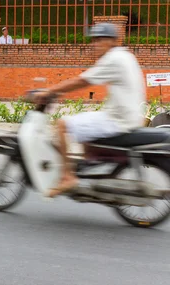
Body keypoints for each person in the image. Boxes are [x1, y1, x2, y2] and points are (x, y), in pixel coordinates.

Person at [33, 23, 146, 198]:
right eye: (94, 40)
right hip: (127, 116)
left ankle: (67, 177)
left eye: (101, 39)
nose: (95, 44)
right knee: (85, 122)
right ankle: (88, 168)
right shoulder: (125, 55)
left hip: (118, 120)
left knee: (62, 125)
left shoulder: (113, 58)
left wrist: (50, 91)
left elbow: (83, 81)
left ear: (113, 41)